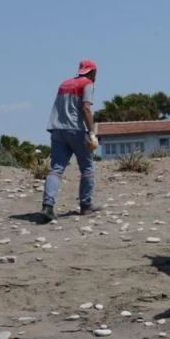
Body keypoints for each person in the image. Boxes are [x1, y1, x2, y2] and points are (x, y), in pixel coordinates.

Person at [40, 60, 98, 223]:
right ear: (92, 72)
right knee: (87, 168)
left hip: (56, 129)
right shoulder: (87, 84)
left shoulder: (64, 83)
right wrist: (92, 132)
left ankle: (47, 205)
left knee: (56, 169)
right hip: (75, 130)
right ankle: (86, 205)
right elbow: (86, 108)